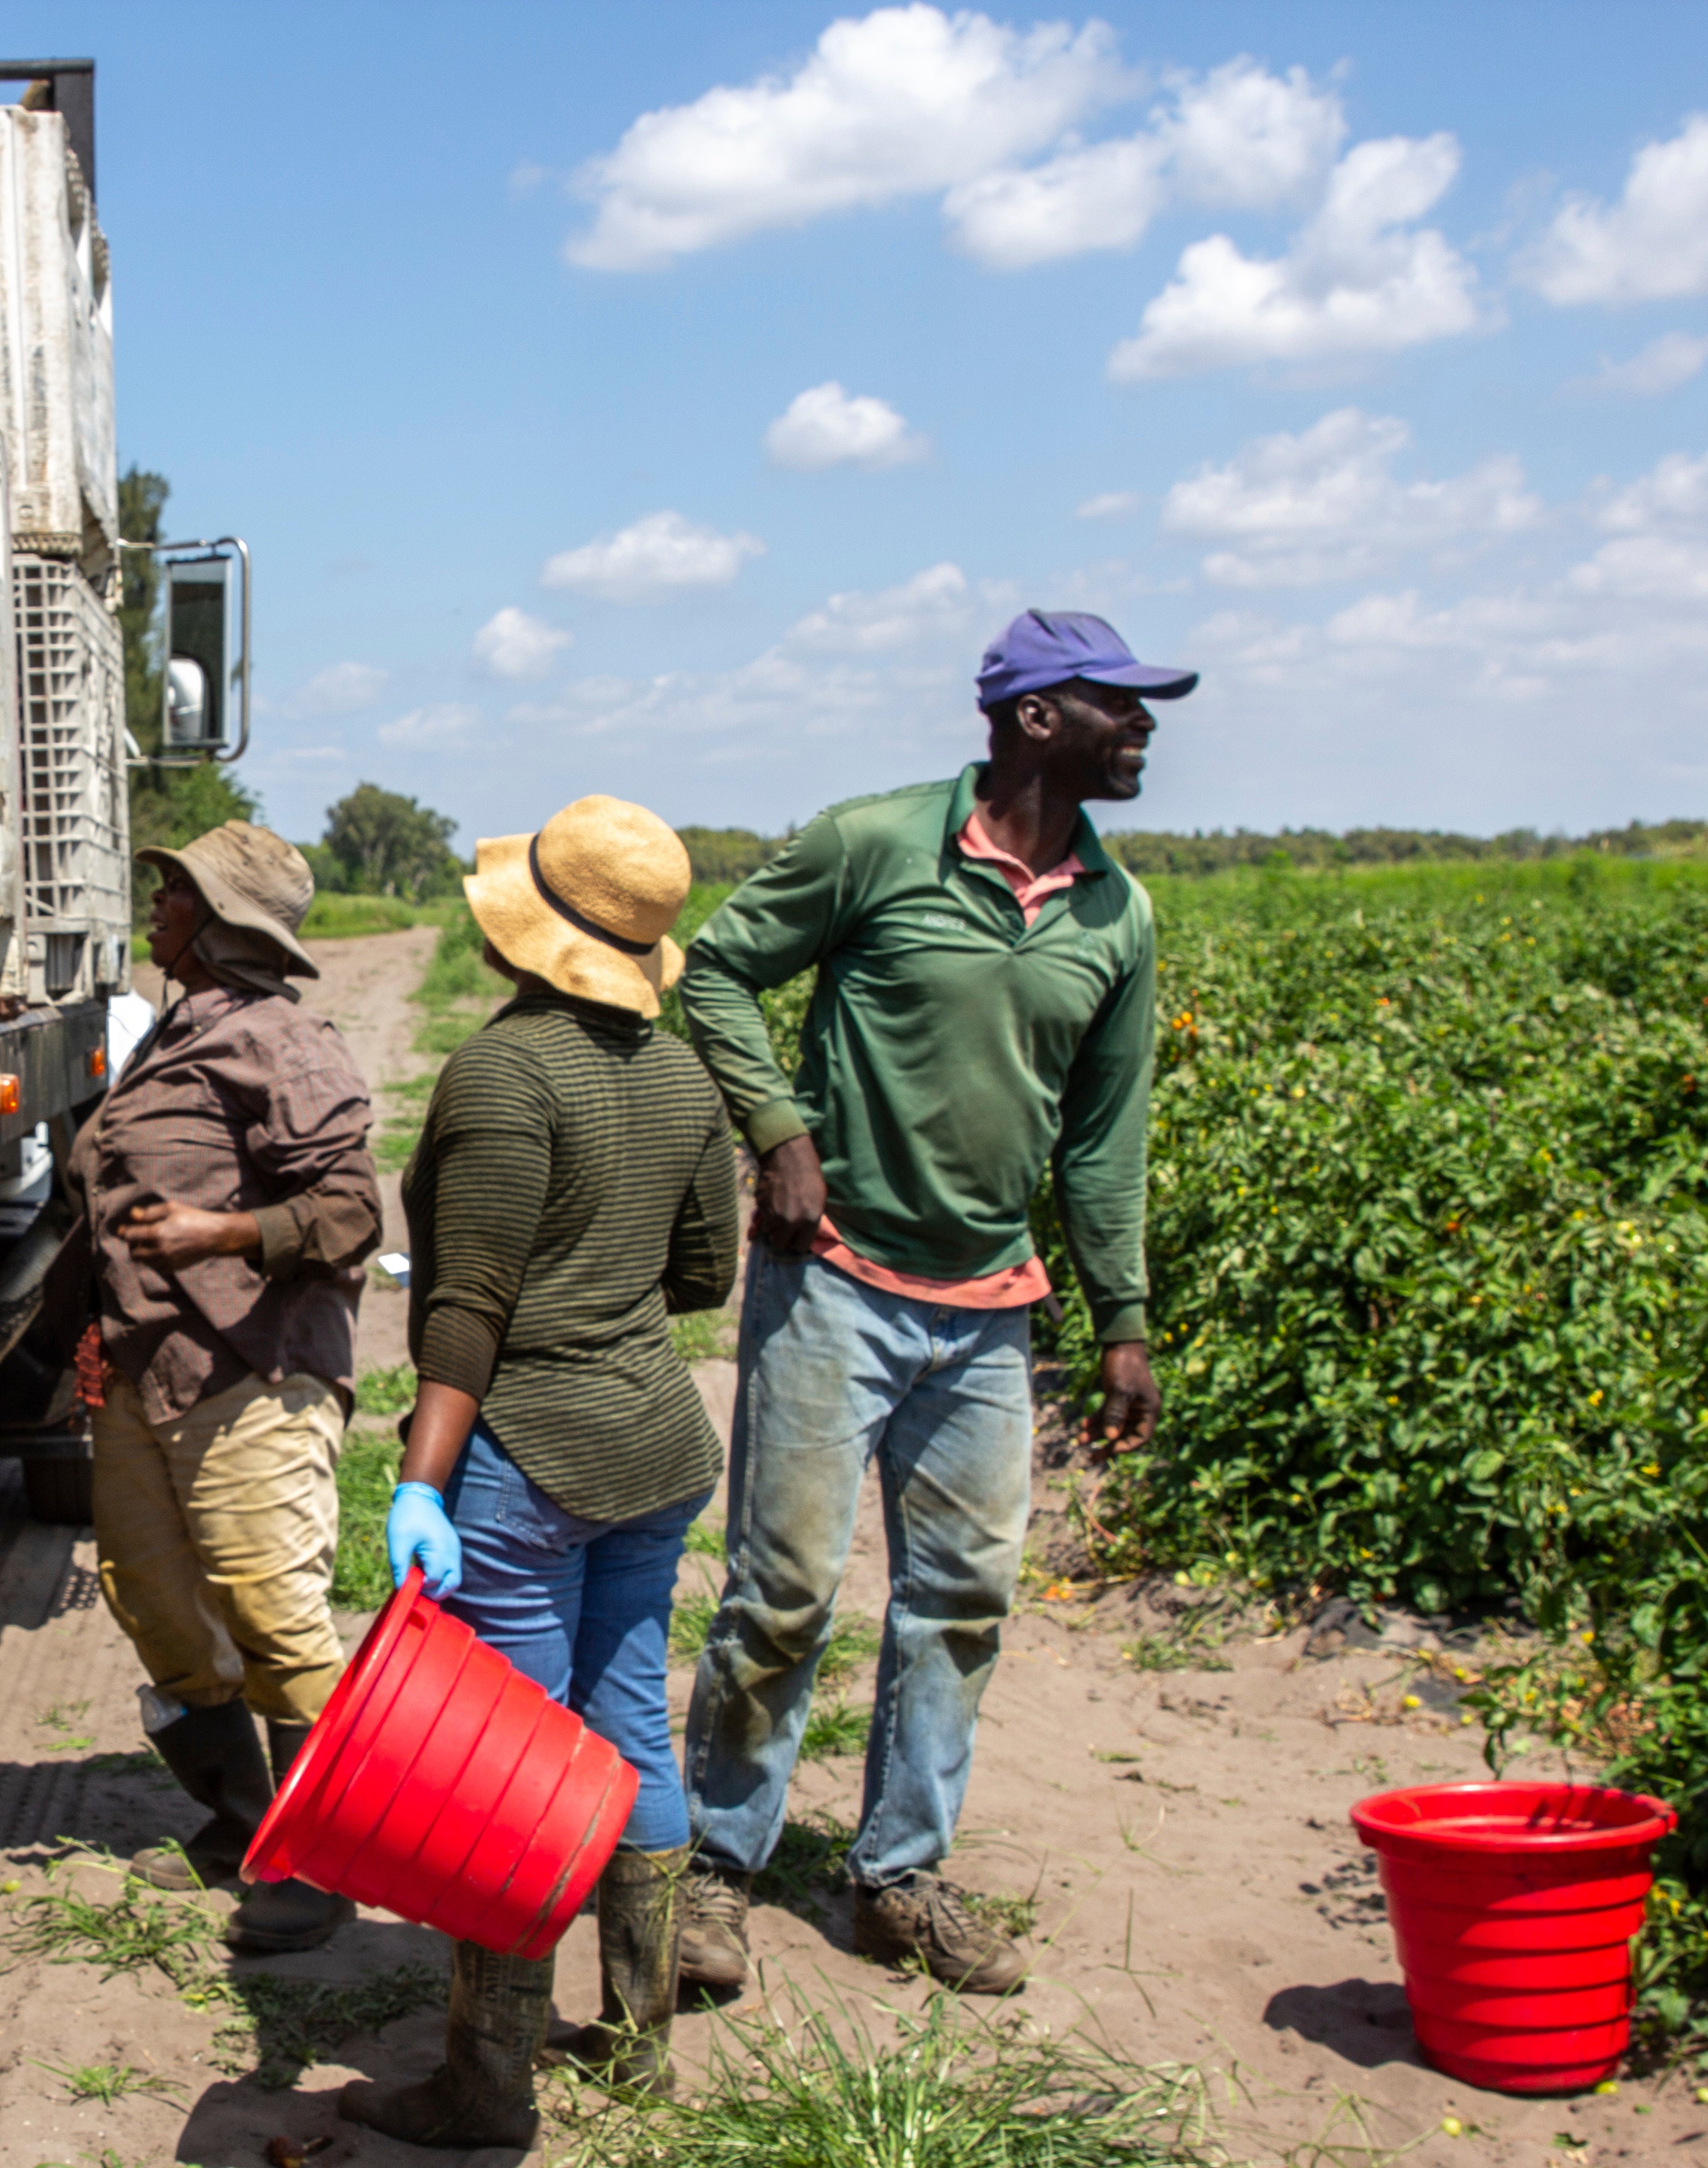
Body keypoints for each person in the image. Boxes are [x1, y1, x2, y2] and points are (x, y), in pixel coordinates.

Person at [676, 609, 1183, 1999]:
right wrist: (779, 1133)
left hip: (987, 1312)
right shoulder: (875, 845)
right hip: (835, 1280)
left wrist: (1122, 1319)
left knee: (960, 1602)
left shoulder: (1115, 913)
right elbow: (713, 970)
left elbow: (1104, 1139)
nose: (1146, 728)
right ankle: (712, 1870)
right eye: (1118, 705)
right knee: (781, 1596)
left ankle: (899, 1876)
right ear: (1032, 716)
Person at [339, 797, 741, 2151]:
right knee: (631, 1729)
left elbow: (471, 1307)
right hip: (657, 1445)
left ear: (531, 934)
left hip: (530, 1454)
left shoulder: (508, 1075)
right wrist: (607, 1279)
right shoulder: (684, 1077)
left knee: (506, 1777)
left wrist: (421, 1477)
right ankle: (637, 2050)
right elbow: (704, 1275)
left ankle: (485, 2087)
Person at [69, 820, 383, 1955]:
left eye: (175, 893)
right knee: (153, 1603)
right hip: (146, 1374)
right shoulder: (172, 1036)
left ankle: (321, 1863)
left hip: (252, 1372)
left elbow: (352, 1212)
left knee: (272, 1616)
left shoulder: (278, 1040)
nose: (156, 907)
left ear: (219, 922)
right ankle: (247, 1825)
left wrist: (226, 1228)